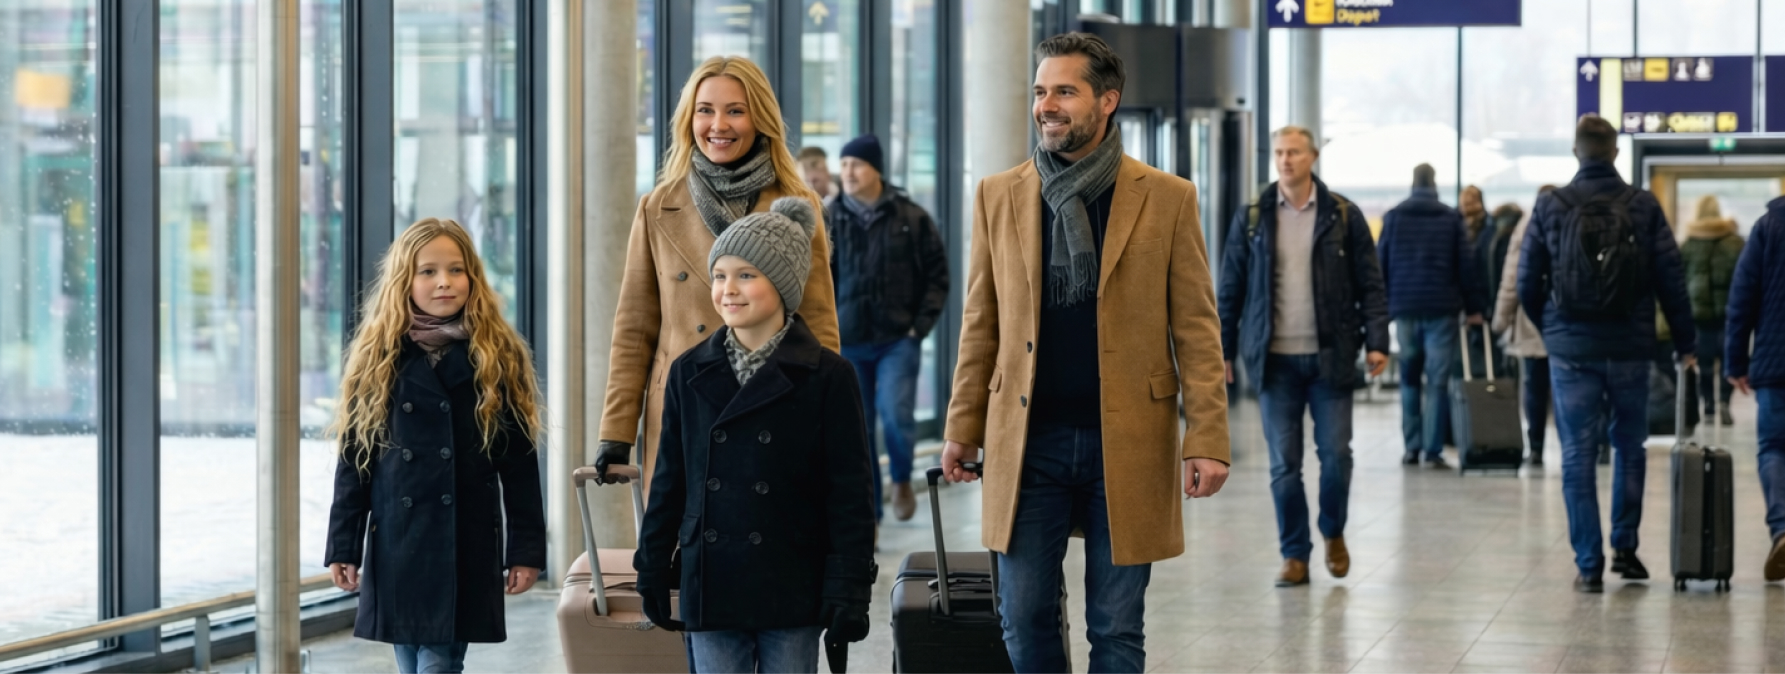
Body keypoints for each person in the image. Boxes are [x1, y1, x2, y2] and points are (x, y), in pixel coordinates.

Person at [939, 33, 1229, 673]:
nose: (1047, 104)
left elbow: (1197, 330)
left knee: (1117, 628)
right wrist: (962, 426)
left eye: (1064, 91)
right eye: (1041, 91)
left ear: (1107, 101)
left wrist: (1207, 434)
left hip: (1126, 440)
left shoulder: (1166, 197)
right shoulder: (999, 194)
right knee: (1023, 617)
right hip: (1026, 439)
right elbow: (980, 321)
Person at [634, 197, 877, 673]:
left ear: (783, 285)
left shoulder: (828, 375)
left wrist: (848, 586)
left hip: (791, 576)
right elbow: (670, 481)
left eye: (747, 275)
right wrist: (652, 567)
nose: (728, 289)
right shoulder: (688, 372)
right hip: (713, 577)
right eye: (720, 275)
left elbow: (850, 491)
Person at [595, 57, 841, 491]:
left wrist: (828, 414)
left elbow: (818, 320)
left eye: (735, 110)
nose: (717, 125)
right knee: (679, 544)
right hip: (682, 408)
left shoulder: (797, 206)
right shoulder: (657, 207)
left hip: (773, 401)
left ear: (759, 119)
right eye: (705, 110)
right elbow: (635, 326)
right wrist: (615, 430)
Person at [324, 218, 547, 674]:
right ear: (405, 280)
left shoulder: (497, 354)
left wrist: (526, 550)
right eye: (428, 271)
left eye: (456, 269)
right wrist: (343, 544)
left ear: (473, 277)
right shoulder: (377, 355)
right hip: (398, 539)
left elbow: (520, 465)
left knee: (439, 661)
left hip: (463, 538)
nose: (444, 282)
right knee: (412, 660)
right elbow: (354, 461)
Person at [1517, 115, 1696, 593]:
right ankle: (1626, 547)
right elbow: (1670, 280)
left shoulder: (1550, 205)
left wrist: (1554, 331)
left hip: (1571, 349)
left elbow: (1525, 282)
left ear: (1576, 152)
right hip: (1629, 347)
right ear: (1615, 153)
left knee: (1576, 453)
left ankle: (1588, 565)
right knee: (1629, 446)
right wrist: (1686, 344)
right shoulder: (1641, 205)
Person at [1217, 125, 1389, 588]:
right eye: (1278, 152)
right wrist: (1224, 349)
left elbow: (1370, 284)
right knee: (1283, 466)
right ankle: (1295, 554)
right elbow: (1230, 287)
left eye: (1294, 151)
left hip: (1329, 358)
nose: (1285, 159)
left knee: (1336, 456)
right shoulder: (1253, 216)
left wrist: (1377, 341)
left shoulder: (1343, 215)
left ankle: (1332, 530)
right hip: (1274, 363)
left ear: (1312, 156)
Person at [826, 133, 950, 522]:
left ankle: (900, 479)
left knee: (896, 415)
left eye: (856, 165)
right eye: (843, 165)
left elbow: (937, 275)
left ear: (876, 170)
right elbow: (817, 279)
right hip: (849, 339)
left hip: (898, 338)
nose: (847, 172)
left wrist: (919, 326)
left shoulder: (910, 217)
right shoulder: (828, 216)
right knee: (856, 428)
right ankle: (870, 510)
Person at [1377, 164, 1486, 468]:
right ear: (1435, 183)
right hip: (1442, 309)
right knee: (1437, 382)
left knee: (1410, 380)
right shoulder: (1450, 218)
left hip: (1406, 308)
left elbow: (1380, 266)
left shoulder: (1394, 217)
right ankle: (1433, 450)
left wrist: (1381, 309)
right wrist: (1475, 307)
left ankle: (1411, 447)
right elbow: (1466, 266)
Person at [1728, 196, 1785, 582]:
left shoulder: (1770, 226)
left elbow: (1742, 296)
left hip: (1776, 359)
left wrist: (1735, 362)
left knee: (1774, 446)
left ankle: (1782, 527)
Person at [1492, 189, 1550, 465]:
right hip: (1568, 320)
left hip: (1531, 320)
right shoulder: (1573, 219)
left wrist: (1500, 319)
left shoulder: (1526, 225)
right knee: (1570, 387)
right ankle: (1591, 446)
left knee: (1534, 387)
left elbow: (1512, 276)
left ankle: (1536, 446)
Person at [1680, 195, 1744, 425]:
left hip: (1698, 312)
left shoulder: (1689, 243)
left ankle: (1707, 404)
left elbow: (1680, 277)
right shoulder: (1734, 242)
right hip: (1729, 310)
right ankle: (1725, 402)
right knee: (1728, 358)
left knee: (1704, 362)